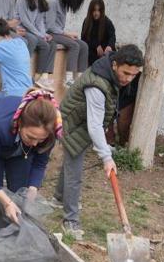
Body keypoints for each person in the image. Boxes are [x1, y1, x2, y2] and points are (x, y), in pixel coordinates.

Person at [54, 44, 144, 238]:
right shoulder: (97, 84)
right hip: (72, 124)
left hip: (81, 122)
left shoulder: (107, 73)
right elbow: (95, 125)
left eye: (133, 75)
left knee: (71, 163)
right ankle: (70, 220)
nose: (128, 79)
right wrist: (106, 156)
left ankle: (59, 198)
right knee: (74, 171)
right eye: (126, 73)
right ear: (115, 65)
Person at [0, 89, 61, 227]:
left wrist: (32, 189)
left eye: (40, 139)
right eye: (31, 137)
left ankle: (17, 233)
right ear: (20, 124)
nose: (34, 144)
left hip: (21, 151)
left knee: (21, 194)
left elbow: (39, 164)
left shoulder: (49, 133)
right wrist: (7, 203)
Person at [14, 0, 55, 91]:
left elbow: (39, 22)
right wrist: (39, 35)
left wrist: (44, 34)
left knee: (50, 44)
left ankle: (41, 76)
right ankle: (23, 72)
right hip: (21, 29)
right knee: (36, 41)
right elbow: (25, 21)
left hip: (33, 31)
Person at [47, 0, 88, 87]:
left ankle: (79, 77)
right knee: (74, 45)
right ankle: (69, 78)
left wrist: (65, 34)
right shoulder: (53, 2)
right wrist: (67, 34)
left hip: (59, 33)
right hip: (49, 33)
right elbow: (50, 26)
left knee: (84, 45)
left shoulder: (64, 4)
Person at [81, 0, 116, 66]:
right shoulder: (87, 21)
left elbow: (112, 37)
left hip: (105, 52)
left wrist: (109, 46)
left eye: (99, 10)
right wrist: (96, 46)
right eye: (94, 10)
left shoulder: (107, 22)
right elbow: (84, 38)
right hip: (91, 51)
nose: (96, 13)